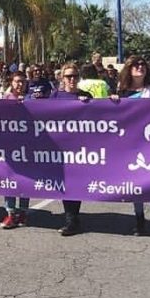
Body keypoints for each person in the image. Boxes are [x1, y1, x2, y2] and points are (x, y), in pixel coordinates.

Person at [113, 56, 150, 236]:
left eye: (143, 64)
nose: (140, 67)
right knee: (137, 181)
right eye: (136, 65)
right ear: (129, 69)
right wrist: (112, 101)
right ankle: (139, 218)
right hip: (133, 143)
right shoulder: (123, 93)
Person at [54, 62, 93, 236]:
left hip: (79, 149)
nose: (72, 79)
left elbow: (100, 117)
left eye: (75, 76)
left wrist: (88, 104)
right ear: (62, 78)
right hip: (59, 149)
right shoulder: (54, 97)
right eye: (68, 76)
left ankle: (72, 218)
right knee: (64, 183)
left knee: (75, 183)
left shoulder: (85, 95)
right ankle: (71, 217)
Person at [0, 71, 30, 229]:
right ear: (11, 83)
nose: (20, 84)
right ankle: (11, 213)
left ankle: (23, 212)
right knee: (9, 179)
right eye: (17, 81)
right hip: (10, 146)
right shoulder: (4, 100)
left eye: (23, 82)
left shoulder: (30, 99)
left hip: (27, 146)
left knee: (26, 179)